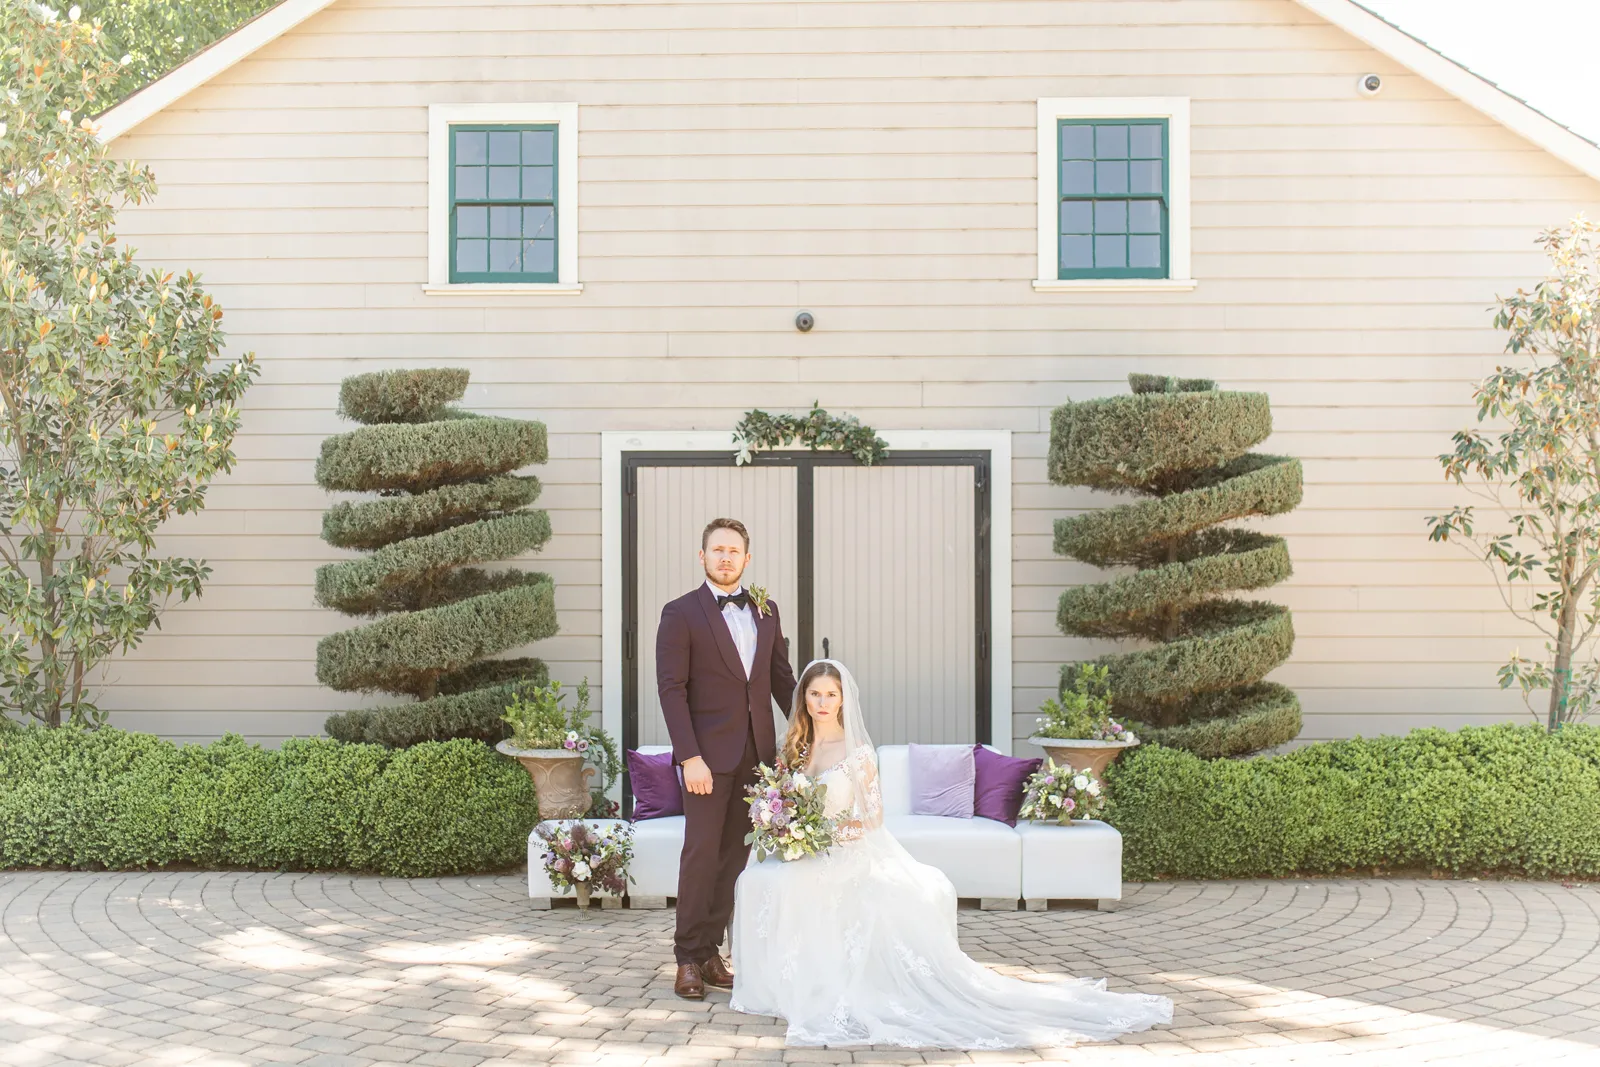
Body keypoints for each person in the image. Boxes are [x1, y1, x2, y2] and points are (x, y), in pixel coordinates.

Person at [729, 659, 1173, 1048]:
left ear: (843, 699)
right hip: (807, 846)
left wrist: (822, 834)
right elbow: (783, 798)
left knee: (801, 884)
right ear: (803, 697)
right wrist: (786, 826)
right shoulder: (795, 746)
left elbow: (873, 819)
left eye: (831, 694)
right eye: (814, 694)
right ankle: (777, 986)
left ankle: (818, 987)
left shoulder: (857, 751)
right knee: (754, 879)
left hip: (844, 848)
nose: (822, 702)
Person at [655, 517, 798, 999]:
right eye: (716, 550)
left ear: (746, 558)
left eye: (733, 551)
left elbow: (781, 680)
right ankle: (687, 958)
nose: (725, 558)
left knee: (734, 859)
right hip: (706, 760)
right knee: (700, 855)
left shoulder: (767, 610)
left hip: (756, 756)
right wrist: (688, 756)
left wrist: (811, 730)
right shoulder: (680, 613)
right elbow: (671, 690)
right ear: (702, 557)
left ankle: (712, 951)